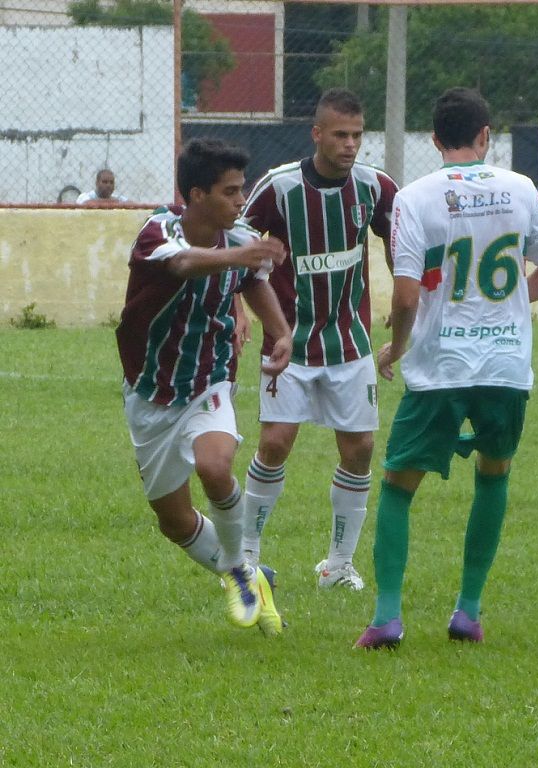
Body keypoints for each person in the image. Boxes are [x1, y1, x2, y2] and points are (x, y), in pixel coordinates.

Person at [355, 87, 538, 649]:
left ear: (434, 140)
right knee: (494, 474)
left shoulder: (414, 198)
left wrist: (395, 348)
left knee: (399, 485)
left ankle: (387, 618)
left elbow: (406, 297)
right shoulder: (521, 187)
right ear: (485, 136)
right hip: (505, 365)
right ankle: (468, 612)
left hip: (440, 366)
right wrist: (510, 303)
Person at [116, 138, 293, 636]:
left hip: (209, 378)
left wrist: (280, 331)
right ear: (196, 194)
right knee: (173, 522)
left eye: (242, 189)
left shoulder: (238, 238)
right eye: (230, 191)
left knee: (215, 466)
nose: (241, 200)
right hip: (150, 389)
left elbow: (253, 281)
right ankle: (253, 578)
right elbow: (183, 265)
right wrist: (242, 253)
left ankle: (237, 568)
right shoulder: (158, 231)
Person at [239, 88, 398, 591]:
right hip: (289, 342)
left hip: (350, 343)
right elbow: (235, 243)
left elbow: (400, 240)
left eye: (357, 135)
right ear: (317, 134)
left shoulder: (375, 186)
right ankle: (246, 557)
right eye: (340, 135)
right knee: (275, 442)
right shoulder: (278, 187)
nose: (350, 145)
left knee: (360, 448)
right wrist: (239, 310)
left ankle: (337, 565)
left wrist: (405, 292)